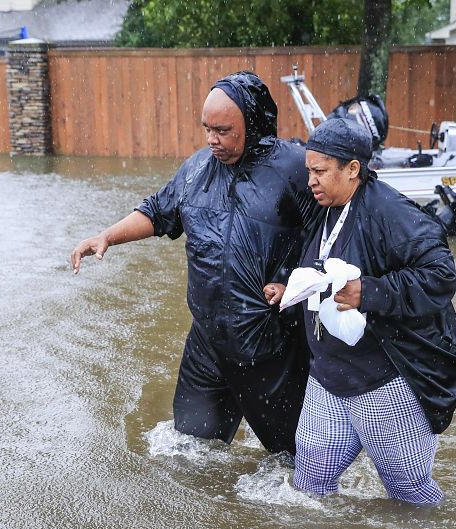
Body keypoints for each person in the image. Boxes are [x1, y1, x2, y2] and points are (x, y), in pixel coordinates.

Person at [71, 71, 319, 454]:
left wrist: (296, 283)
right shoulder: (197, 169)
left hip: (271, 345)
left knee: (294, 464)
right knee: (189, 454)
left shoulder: (295, 169)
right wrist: (107, 236)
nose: (211, 140)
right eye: (206, 129)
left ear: (252, 124)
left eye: (222, 130)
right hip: (207, 344)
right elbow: (158, 212)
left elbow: (332, 235)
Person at [264, 118, 456, 505]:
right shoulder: (324, 205)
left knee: (412, 497)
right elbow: (322, 267)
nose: (310, 180)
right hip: (327, 378)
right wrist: (288, 286)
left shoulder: (390, 211)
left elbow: (441, 276)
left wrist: (370, 292)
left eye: (320, 171)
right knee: (309, 490)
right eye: (309, 170)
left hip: (384, 384)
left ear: (353, 169)